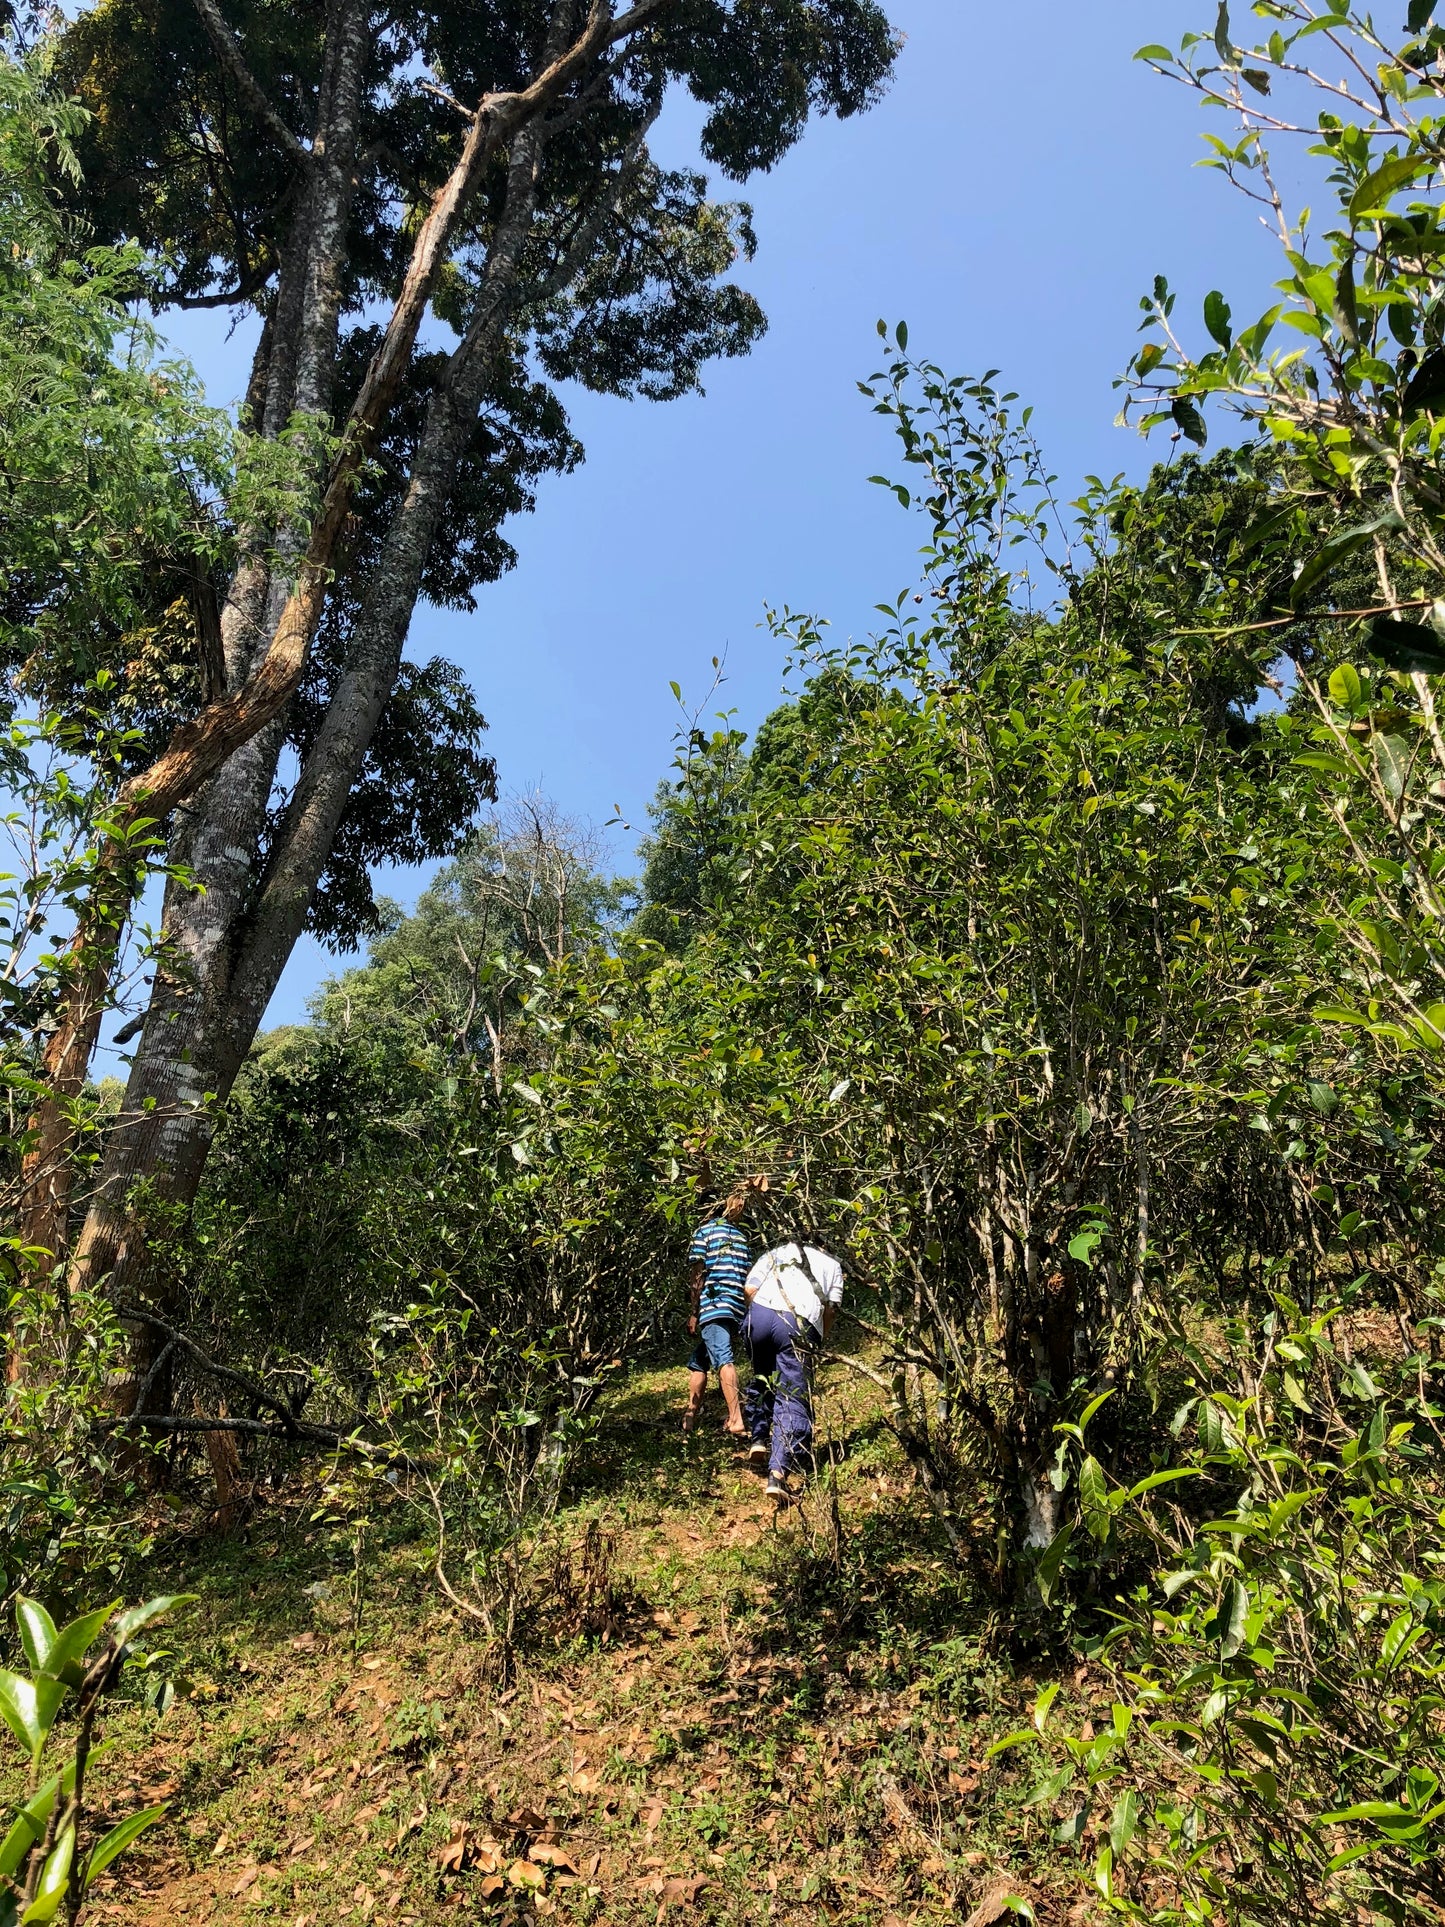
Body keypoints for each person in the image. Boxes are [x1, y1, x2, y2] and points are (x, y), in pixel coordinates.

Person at [742, 1238, 844, 1502]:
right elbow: (831, 1310)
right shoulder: (832, 1265)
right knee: (792, 1395)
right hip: (796, 1323)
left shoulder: (776, 1252)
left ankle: (758, 1438)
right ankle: (777, 1474)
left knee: (763, 1378)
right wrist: (817, 1340)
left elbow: (749, 1289)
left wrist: (759, 1322)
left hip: (758, 1317)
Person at [682, 1189, 752, 1438]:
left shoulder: (704, 1233)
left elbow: (697, 1276)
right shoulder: (740, 1237)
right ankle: (690, 1415)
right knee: (700, 1359)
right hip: (736, 1307)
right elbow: (747, 1276)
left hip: (714, 1305)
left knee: (723, 1359)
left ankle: (736, 1419)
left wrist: (694, 1311)